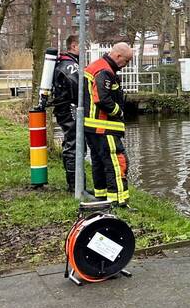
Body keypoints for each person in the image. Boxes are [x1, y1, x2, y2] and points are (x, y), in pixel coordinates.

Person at [83, 42, 134, 205]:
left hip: (92, 127)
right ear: (118, 56)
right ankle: (119, 201)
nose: (125, 66)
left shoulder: (96, 66)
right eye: (125, 61)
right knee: (118, 162)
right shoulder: (105, 70)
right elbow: (102, 99)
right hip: (105, 127)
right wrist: (119, 112)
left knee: (99, 162)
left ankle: (102, 197)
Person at [50, 35, 82, 193]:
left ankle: (76, 184)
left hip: (65, 108)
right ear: (74, 46)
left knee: (74, 142)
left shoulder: (64, 62)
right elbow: (79, 88)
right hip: (69, 109)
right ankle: (75, 186)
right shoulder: (69, 65)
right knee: (74, 143)